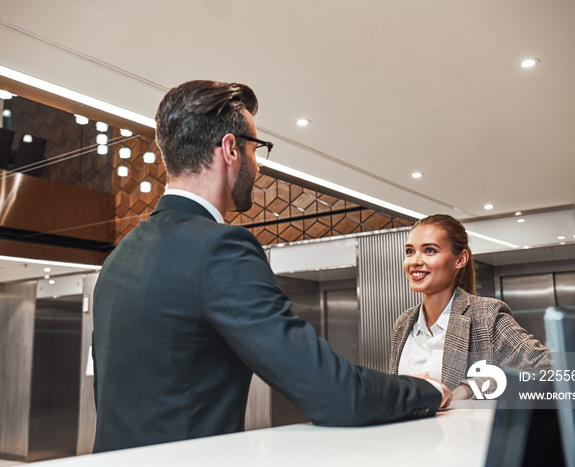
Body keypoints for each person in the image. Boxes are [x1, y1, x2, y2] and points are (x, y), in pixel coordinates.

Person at [92, 80, 450, 453]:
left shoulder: (119, 257)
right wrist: (424, 390)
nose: (257, 165)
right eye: (255, 149)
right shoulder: (220, 248)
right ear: (231, 149)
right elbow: (334, 393)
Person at [388, 214, 550, 400]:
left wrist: (468, 389)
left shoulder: (486, 315)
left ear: (460, 259)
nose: (414, 261)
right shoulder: (403, 323)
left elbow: (548, 365)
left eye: (430, 250)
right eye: (410, 251)